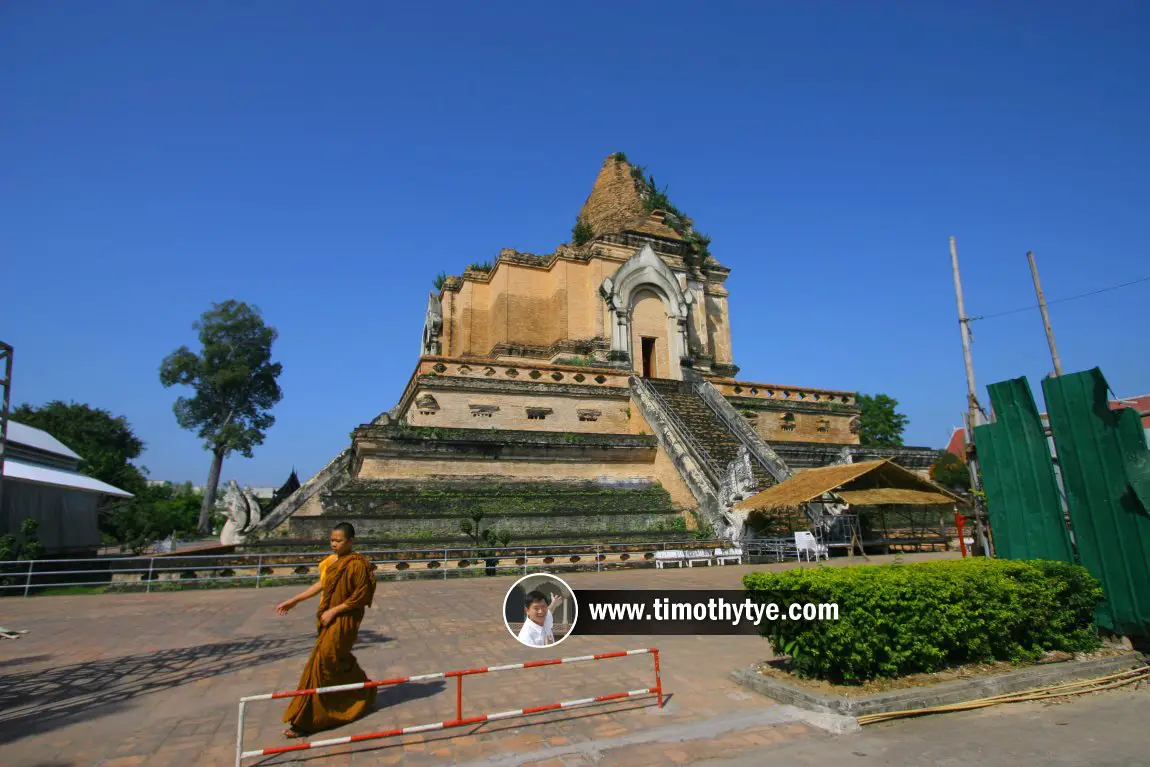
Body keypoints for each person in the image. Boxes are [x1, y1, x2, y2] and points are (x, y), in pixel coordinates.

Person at [275, 522, 378, 739]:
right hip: (328, 618)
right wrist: (294, 600)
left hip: (345, 620)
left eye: (339, 541)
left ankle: (307, 720)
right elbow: (321, 585)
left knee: (322, 662)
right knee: (336, 660)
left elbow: (361, 596)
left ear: (350, 541)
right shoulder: (334, 562)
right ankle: (363, 691)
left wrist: (335, 611)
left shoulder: (358, 564)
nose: (334, 544)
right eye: (332, 540)